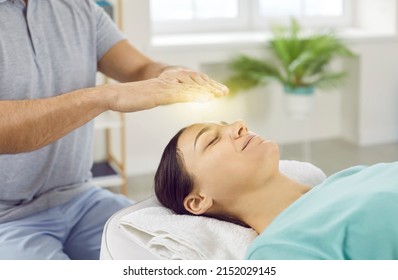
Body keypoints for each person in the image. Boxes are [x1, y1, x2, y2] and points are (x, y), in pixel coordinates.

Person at [0, 0, 228, 260]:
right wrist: (105, 96)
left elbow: (139, 68)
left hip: (80, 197)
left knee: (171, 254)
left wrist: (168, 73)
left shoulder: (80, 8)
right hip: (6, 220)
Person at [154, 120, 398, 260]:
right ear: (198, 201)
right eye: (212, 140)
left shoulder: (348, 177)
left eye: (227, 124)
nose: (239, 126)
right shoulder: (277, 249)